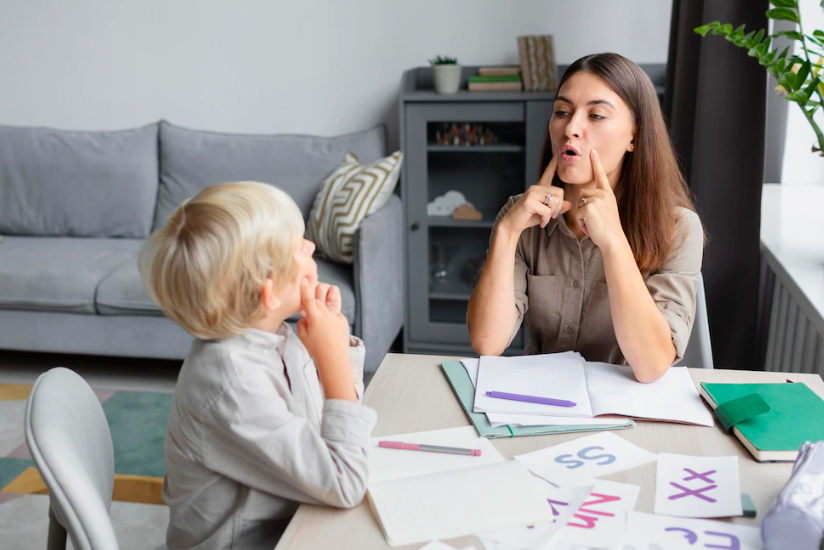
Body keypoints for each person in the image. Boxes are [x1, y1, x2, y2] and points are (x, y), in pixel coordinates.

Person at [138, 181, 376, 550]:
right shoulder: (231, 382)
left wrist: (337, 346)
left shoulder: (275, 338)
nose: (311, 246)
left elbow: (334, 432)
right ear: (270, 292)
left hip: (296, 524)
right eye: (299, 245)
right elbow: (345, 483)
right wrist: (331, 361)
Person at [467, 53, 705, 383]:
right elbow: (487, 342)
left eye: (596, 115)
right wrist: (508, 231)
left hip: (624, 409)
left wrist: (613, 242)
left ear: (634, 136)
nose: (571, 128)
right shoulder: (520, 217)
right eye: (562, 112)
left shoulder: (678, 229)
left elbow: (651, 365)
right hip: (537, 399)